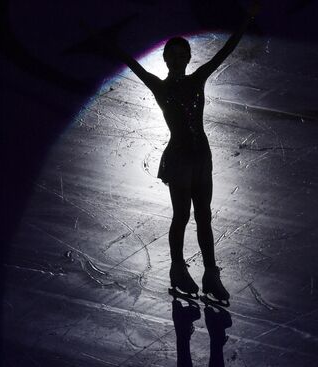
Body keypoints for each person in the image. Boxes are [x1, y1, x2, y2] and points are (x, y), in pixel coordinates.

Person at [100, 2, 259, 302]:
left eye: (182, 53)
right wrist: (107, 43)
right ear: (166, 59)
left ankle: (211, 273)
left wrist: (247, 20)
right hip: (180, 161)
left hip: (202, 157)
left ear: (187, 58)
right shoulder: (159, 88)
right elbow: (131, 64)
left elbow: (224, 53)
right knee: (182, 215)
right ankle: (177, 268)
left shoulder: (198, 78)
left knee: (204, 216)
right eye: (173, 55)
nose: (178, 58)